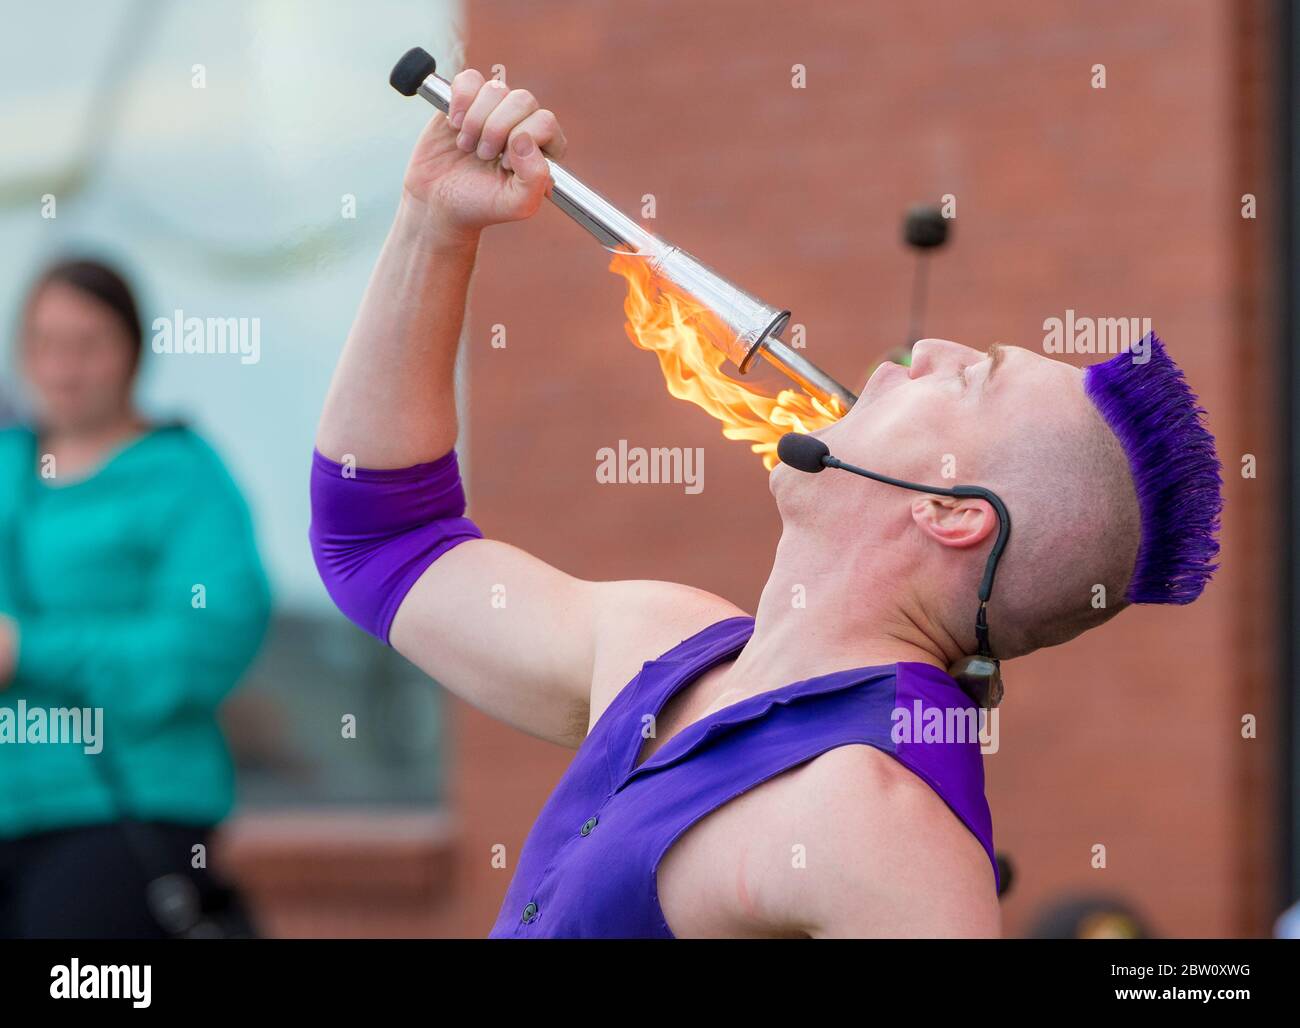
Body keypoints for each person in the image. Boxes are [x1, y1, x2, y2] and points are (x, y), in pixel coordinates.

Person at [310, 72, 1223, 938]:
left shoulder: (880, 820)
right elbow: (383, 542)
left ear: (952, 511)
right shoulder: (667, 643)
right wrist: (434, 225)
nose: (932, 348)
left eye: (974, 378)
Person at [0, 258, 271, 938]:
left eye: (86, 345)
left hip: (123, 808)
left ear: (132, 351)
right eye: (44, 345)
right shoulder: (7, 465)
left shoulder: (183, 479)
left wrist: (28, 649)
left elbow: (208, 643)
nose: (63, 368)